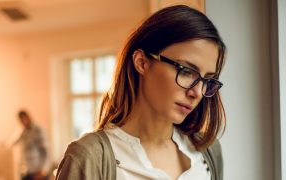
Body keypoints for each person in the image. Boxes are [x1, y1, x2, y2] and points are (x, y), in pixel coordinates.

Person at [56, 5, 226, 180]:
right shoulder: (88, 157)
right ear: (142, 62)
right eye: (185, 71)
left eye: (207, 80)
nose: (197, 92)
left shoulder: (209, 151)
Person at [5, 111, 50, 180]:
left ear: (28, 117)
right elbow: (14, 141)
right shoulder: (23, 130)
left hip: (38, 171)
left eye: (23, 120)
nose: (22, 123)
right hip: (27, 171)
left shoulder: (38, 129)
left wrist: (43, 170)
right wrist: (4, 146)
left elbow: (46, 151)